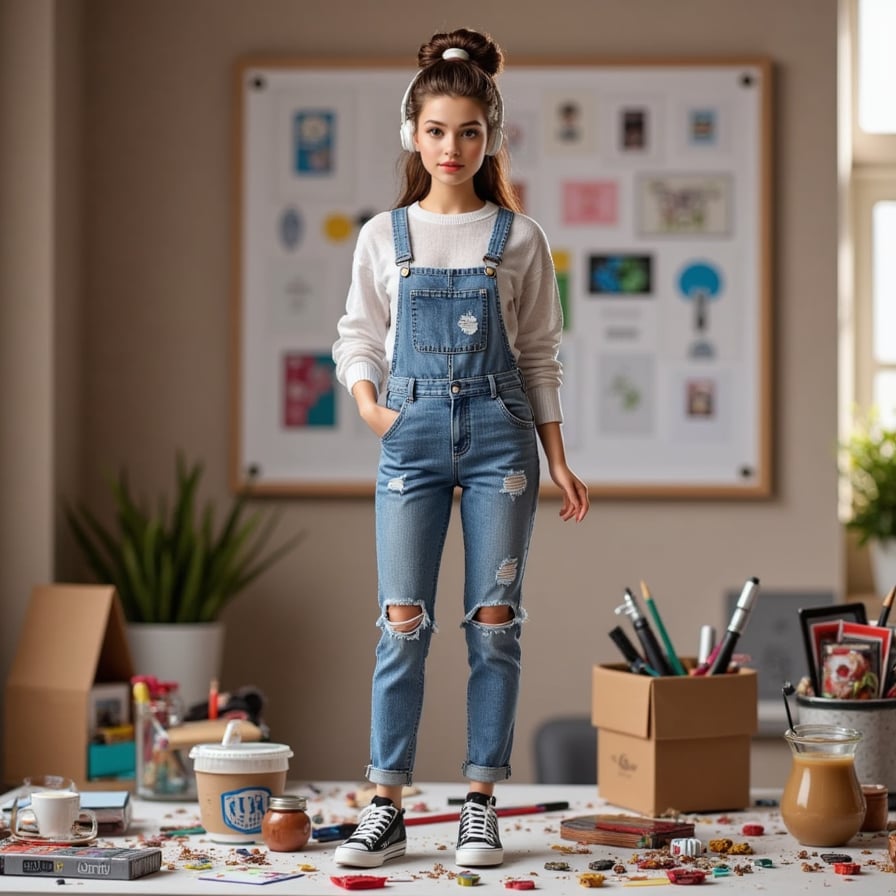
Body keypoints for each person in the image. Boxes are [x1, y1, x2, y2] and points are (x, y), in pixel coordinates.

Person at [331, 27, 589, 870]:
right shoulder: (383, 236)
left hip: (499, 444)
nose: (453, 147)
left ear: (492, 136)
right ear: (413, 133)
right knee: (402, 625)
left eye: (470, 132)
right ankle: (388, 804)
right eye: (438, 130)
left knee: (494, 625)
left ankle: (480, 803)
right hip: (407, 439)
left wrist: (556, 457)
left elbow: (542, 353)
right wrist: (375, 414)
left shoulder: (520, 239)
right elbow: (357, 339)